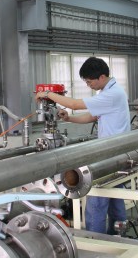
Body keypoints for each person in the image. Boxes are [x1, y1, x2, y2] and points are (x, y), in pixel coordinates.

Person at [35, 57, 130, 234]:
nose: (88, 85)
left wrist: (47, 94)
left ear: (102, 77)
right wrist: (69, 118)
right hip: (116, 151)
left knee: (96, 200)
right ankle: (118, 235)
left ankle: (95, 241)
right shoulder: (110, 92)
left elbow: (75, 104)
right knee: (115, 196)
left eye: (89, 81)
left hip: (110, 154)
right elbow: (92, 116)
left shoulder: (112, 94)